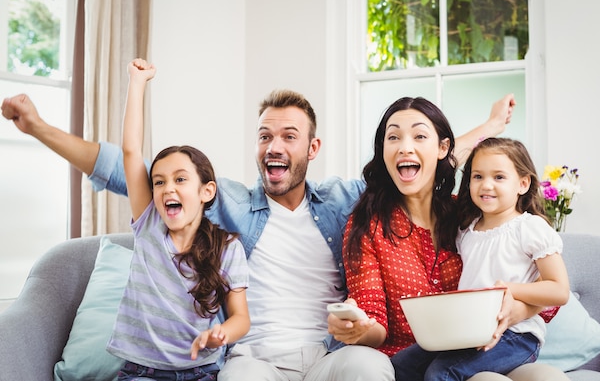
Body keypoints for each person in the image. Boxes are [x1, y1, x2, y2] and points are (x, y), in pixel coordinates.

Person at [2, 88, 537, 381]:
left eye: (288, 135)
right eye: (264, 136)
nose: (274, 145)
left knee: (372, 368)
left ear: (313, 148)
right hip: (254, 359)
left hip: (330, 354)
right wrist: (39, 128)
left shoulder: (348, 200)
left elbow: (414, 156)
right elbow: (126, 169)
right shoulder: (230, 201)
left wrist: (485, 130)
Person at [112, 58, 250, 380]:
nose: (167, 188)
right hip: (140, 372)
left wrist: (221, 334)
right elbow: (130, 150)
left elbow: (241, 317)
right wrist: (137, 82)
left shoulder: (228, 248)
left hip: (199, 371)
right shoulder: (149, 225)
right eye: (159, 181)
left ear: (206, 191)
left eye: (180, 179)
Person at [390, 137, 570, 381]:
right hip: (467, 331)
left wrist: (509, 289)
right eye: (478, 176)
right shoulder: (467, 231)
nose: (486, 185)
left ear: (523, 183)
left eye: (498, 177)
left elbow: (559, 291)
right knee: (401, 365)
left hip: (516, 336)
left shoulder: (530, 228)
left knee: (441, 373)